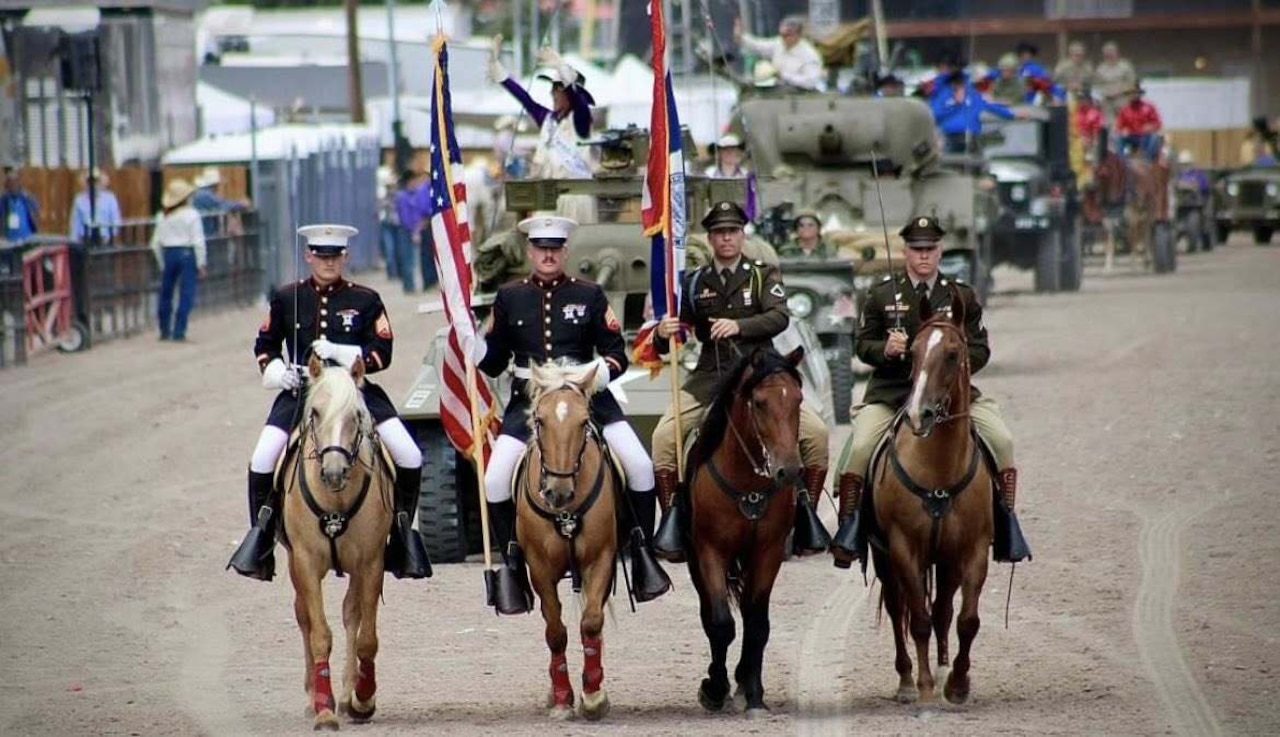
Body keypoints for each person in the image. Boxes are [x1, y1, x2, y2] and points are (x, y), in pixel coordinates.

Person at [467, 215, 667, 593]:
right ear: (529, 251)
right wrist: (474, 345)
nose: (548, 255)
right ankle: (512, 561)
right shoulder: (510, 296)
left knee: (640, 466)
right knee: (495, 480)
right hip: (529, 403)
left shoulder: (588, 294)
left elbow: (615, 354)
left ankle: (642, 553)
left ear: (565, 252)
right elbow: (495, 362)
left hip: (588, 398)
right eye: (541, 248)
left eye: (554, 248)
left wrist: (595, 376)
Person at [227, 224, 429, 582]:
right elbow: (265, 344)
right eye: (321, 255)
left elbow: (384, 352)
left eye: (335, 256)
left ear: (345, 257)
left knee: (409, 454)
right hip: (304, 393)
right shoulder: (288, 297)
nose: (328, 262)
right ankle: (261, 538)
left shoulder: (366, 299)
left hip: (356, 392)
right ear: (309, 257)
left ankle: (400, 535)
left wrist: (345, 353)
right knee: (262, 458)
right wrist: (276, 371)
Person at [830, 216, 1027, 567]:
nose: (923, 256)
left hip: (950, 395)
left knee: (1002, 440)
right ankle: (851, 528)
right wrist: (886, 350)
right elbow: (862, 345)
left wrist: (957, 364)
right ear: (905, 251)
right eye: (916, 249)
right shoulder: (881, 293)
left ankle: (1006, 522)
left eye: (930, 249)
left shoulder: (961, 295)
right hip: (893, 392)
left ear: (940, 251)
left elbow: (980, 348)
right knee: (859, 448)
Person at [650, 201, 830, 560]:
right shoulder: (695, 281)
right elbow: (675, 330)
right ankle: (673, 517)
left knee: (816, 434)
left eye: (732, 231)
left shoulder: (763, 275)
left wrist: (740, 326)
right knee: (664, 437)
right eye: (719, 233)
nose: (726, 238)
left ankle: (805, 513)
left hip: (759, 374)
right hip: (711, 377)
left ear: (742, 235)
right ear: (711, 238)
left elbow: (779, 316)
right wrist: (662, 331)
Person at [149, 179, 206, 342]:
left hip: (169, 253)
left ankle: (164, 329)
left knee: (166, 292)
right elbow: (198, 241)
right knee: (186, 293)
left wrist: (162, 263)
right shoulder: (192, 215)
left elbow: (154, 244)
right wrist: (201, 263)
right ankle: (179, 330)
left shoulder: (162, 216)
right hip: (187, 254)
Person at [932, 71, 1017, 155]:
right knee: (949, 162)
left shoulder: (973, 95)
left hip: (971, 136)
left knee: (976, 161)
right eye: (955, 82)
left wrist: (1012, 115)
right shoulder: (942, 96)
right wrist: (955, 104)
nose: (958, 85)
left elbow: (992, 107)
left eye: (961, 82)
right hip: (951, 137)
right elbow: (935, 115)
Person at [734, 15, 825, 91]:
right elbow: (759, 45)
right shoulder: (779, 44)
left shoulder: (809, 55)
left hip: (800, 96)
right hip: (778, 91)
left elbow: (810, 82)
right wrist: (741, 37)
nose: (783, 38)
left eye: (787, 35)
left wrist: (783, 75)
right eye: (781, 34)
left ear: (798, 34)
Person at [191, 167, 250, 240]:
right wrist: (240, 204)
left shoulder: (202, 193)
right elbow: (221, 205)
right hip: (205, 232)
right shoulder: (205, 194)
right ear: (215, 184)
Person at [69, 168, 122, 245]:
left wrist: (109, 237)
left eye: (96, 181)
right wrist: (74, 242)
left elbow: (116, 220)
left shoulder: (110, 198)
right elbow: (75, 223)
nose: (93, 184)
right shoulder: (79, 200)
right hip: (85, 239)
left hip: (105, 239)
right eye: (90, 181)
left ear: (101, 182)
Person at [392, 170, 422, 294]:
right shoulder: (403, 196)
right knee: (407, 258)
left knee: (411, 259)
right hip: (406, 230)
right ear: (409, 181)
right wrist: (413, 230)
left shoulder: (412, 195)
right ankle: (408, 285)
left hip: (413, 229)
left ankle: (410, 284)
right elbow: (405, 216)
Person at [1093, 41, 1137, 123]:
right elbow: (1096, 86)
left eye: (1111, 52)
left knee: (1125, 122)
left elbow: (1132, 82)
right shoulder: (1100, 68)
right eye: (1107, 53)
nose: (1109, 54)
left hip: (1122, 99)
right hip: (1107, 102)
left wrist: (1124, 92)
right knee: (1109, 125)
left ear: (1117, 52)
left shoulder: (1125, 66)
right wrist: (1099, 98)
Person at [1115, 85, 1163, 160]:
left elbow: (1157, 123)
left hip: (1145, 137)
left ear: (1139, 94)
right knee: (1118, 138)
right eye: (1131, 94)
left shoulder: (1149, 107)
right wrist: (1123, 131)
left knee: (1154, 137)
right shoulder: (1124, 110)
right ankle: (1121, 160)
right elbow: (1119, 126)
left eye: (1136, 93)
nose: (1134, 96)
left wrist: (1150, 127)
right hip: (1131, 136)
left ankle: (1147, 160)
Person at [1, 166, 39, 242]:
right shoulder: (3, 199)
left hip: (27, 236)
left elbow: (35, 210)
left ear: (19, 182)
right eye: (10, 182)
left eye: (15, 181)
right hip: (9, 238)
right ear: (6, 184)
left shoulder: (27, 197)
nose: (12, 184)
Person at [377, 165, 400, 281]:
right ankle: (391, 273)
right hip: (387, 224)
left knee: (397, 249)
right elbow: (379, 208)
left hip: (397, 225)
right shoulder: (384, 196)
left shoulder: (399, 196)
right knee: (390, 249)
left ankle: (396, 272)